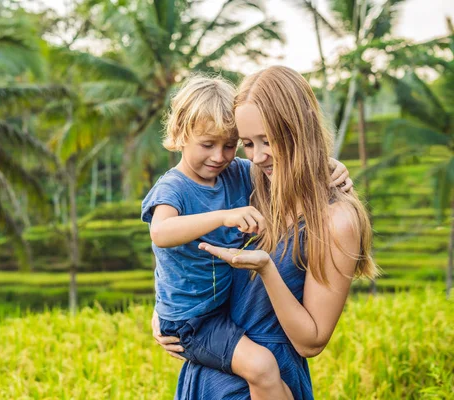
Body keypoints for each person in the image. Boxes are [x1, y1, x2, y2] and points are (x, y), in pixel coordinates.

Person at [142, 74, 355, 399]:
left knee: (264, 369)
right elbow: (165, 237)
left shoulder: (243, 178)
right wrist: (164, 310)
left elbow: (312, 340)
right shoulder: (203, 185)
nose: (253, 156)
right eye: (249, 143)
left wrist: (328, 164)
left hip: (260, 369)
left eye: (232, 144)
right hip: (207, 364)